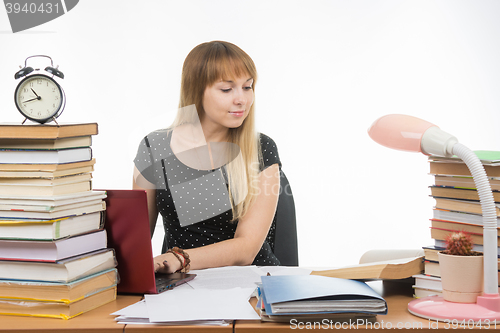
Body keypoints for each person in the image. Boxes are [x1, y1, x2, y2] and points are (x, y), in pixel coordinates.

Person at [133, 41, 282, 274]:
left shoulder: (261, 147)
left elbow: (247, 250)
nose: (241, 100)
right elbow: (135, 240)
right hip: (179, 285)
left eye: (247, 87)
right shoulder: (155, 146)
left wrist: (179, 258)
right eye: (226, 89)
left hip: (252, 285)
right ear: (196, 90)